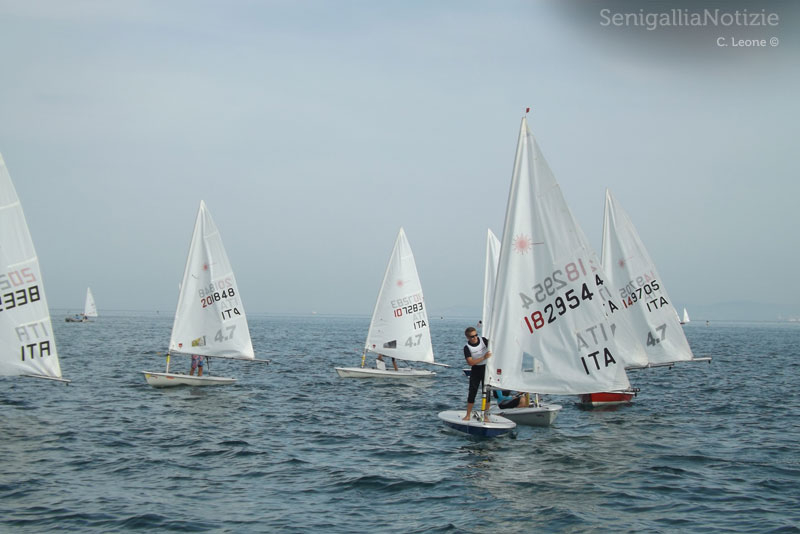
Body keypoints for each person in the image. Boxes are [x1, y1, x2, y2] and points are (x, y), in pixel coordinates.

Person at [463, 326, 491, 421]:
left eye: (476, 335)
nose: (475, 338)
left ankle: (486, 415)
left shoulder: (483, 341)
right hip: (476, 369)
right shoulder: (467, 348)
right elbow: (471, 362)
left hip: (486, 368)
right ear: (468, 338)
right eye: (472, 336)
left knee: (487, 392)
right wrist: (484, 357)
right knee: (472, 392)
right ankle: (467, 415)